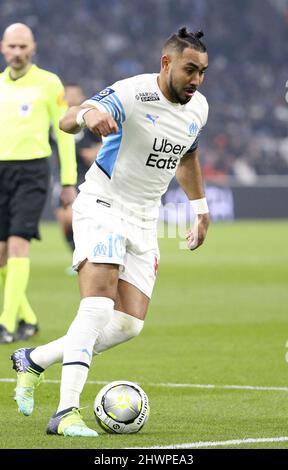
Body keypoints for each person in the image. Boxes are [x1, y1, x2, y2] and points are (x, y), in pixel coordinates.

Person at [11, 27, 210, 437]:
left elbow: (187, 155)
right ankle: (65, 412)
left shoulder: (198, 108)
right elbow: (68, 119)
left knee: (127, 325)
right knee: (98, 307)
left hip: (144, 218)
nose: (196, 80)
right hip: (103, 205)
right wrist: (87, 114)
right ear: (166, 63)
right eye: (190, 69)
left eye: (203, 72)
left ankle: (34, 360)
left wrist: (200, 207)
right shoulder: (132, 93)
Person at [0, 23, 77, 343]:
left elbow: (64, 133)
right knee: (2, 254)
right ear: (3, 48)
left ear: (33, 48)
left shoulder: (49, 83)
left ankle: (5, 324)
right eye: (12, 47)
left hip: (32, 172)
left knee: (18, 243)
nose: (17, 52)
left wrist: (69, 180)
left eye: (23, 47)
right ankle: (28, 319)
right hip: (1, 172)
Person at [53, 83, 101, 256]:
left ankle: (86, 254)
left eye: (75, 94)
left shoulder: (88, 120)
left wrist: (95, 151)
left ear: (82, 97)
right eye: (68, 95)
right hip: (63, 175)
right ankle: (78, 256)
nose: (72, 98)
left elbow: (107, 140)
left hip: (85, 175)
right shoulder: (56, 120)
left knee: (73, 216)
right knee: (63, 220)